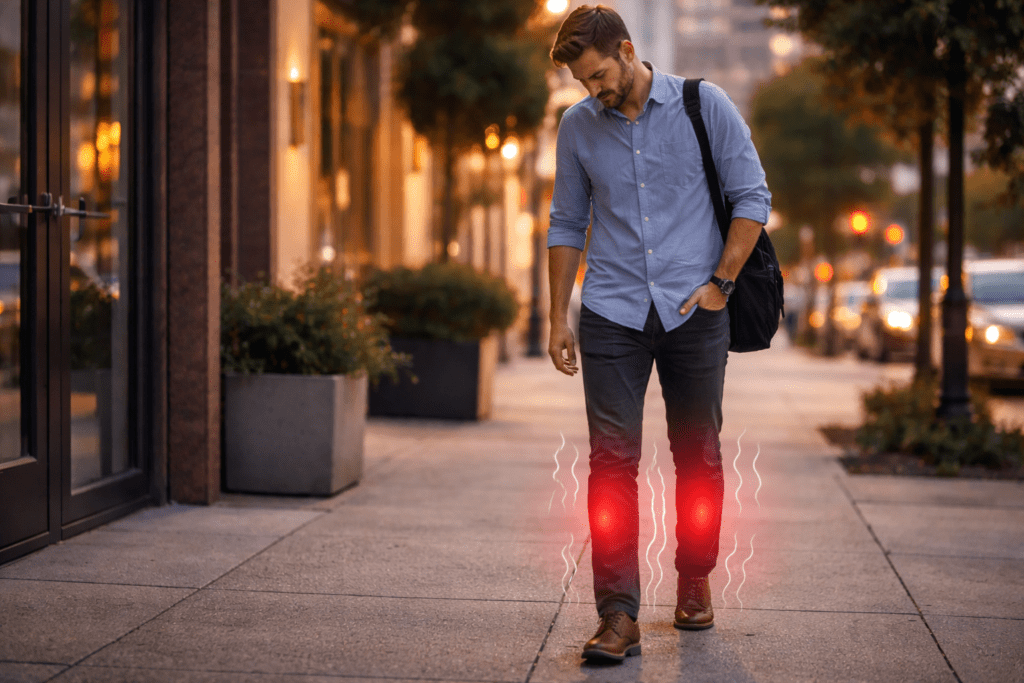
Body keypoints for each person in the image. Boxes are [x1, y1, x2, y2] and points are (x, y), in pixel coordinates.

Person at [546, 5, 771, 662]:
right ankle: (618, 613)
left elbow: (752, 197)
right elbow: (566, 223)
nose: (594, 92)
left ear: (626, 48)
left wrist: (720, 285)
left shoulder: (707, 105)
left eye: (597, 76)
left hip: (694, 313)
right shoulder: (578, 127)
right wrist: (557, 313)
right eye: (583, 84)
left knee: (696, 452)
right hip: (611, 312)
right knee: (611, 462)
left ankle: (695, 579)